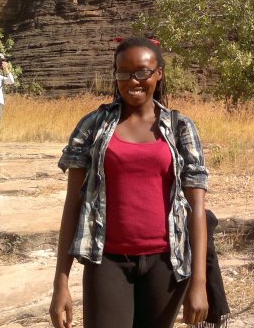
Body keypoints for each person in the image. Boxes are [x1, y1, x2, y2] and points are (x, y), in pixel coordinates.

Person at [50, 37, 209, 328]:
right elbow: (73, 203)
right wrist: (61, 282)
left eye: (142, 72)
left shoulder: (180, 128)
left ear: (159, 73)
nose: (133, 81)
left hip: (166, 263)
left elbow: (196, 207)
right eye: (123, 72)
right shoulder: (93, 126)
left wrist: (199, 282)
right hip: (106, 260)